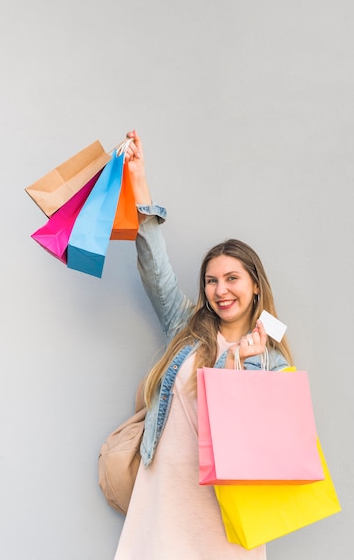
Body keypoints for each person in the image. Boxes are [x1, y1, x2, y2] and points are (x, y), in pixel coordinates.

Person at [113, 131, 293, 560]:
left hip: (227, 501)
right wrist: (139, 180)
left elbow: (264, 440)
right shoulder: (187, 327)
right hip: (166, 488)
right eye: (212, 280)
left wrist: (244, 366)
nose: (220, 290)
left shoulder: (272, 358)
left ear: (254, 285)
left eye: (232, 279)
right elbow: (156, 270)